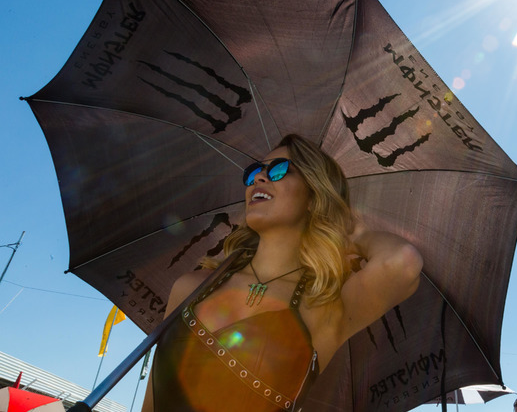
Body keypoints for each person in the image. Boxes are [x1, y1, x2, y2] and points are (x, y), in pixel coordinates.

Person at [141, 134, 424, 412]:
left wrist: (354, 237)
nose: (260, 178)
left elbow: (402, 262)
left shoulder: (324, 308)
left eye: (278, 170)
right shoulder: (191, 286)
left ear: (314, 197)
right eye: (254, 174)